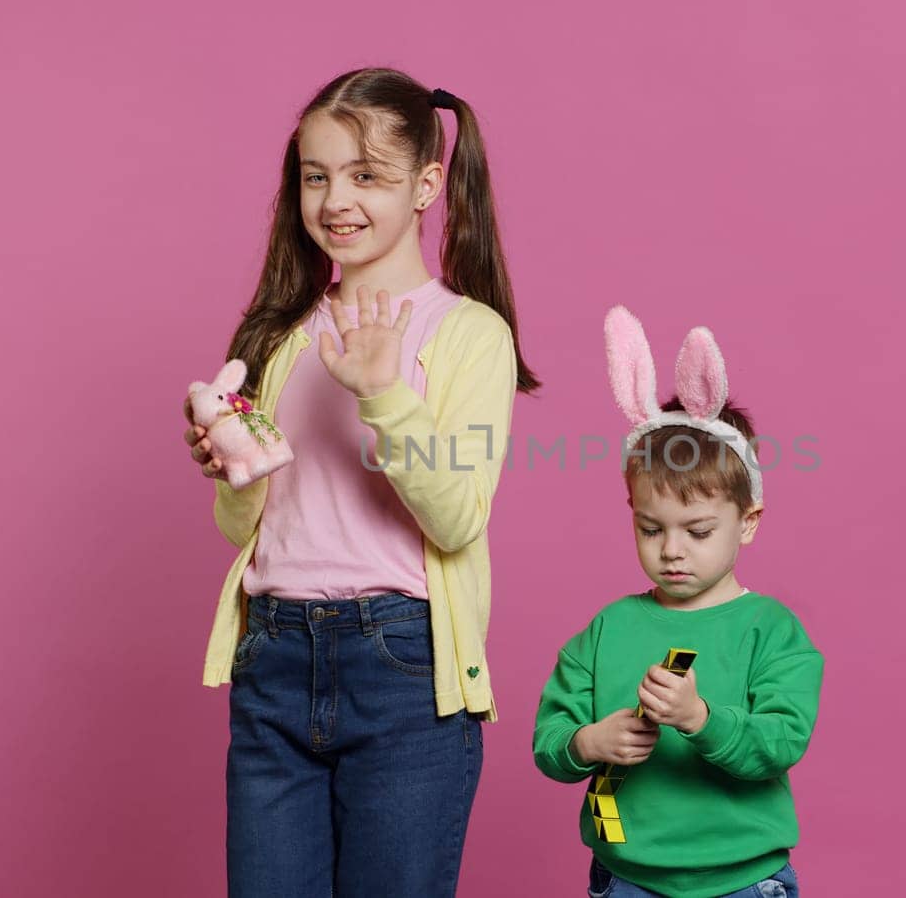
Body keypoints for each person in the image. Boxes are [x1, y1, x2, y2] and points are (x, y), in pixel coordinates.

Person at [181, 67, 539, 897]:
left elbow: (455, 519)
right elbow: (247, 530)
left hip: (403, 668)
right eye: (316, 176)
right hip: (271, 654)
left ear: (426, 185)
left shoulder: (467, 335)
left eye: (365, 175)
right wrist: (233, 463)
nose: (335, 199)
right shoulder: (280, 334)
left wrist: (381, 392)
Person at [533, 307, 821, 897]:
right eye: (650, 528)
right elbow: (549, 739)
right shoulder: (608, 628)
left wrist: (700, 719)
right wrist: (585, 743)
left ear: (747, 523)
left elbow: (781, 743)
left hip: (743, 879)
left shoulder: (771, 630)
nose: (671, 551)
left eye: (697, 531)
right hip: (627, 879)